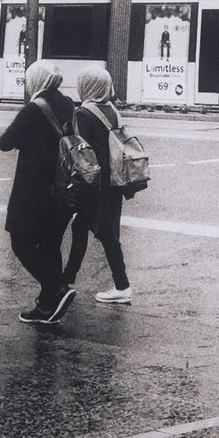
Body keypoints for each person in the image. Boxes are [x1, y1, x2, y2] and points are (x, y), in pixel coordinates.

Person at [0, 61, 78, 325]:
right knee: (50, 244)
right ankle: (46, 307)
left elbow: (5, 142)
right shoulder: (67, 103)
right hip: (63, 187)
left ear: (36, 80)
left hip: (33, 190)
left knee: (20, 242)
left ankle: (56, 288)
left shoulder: (35, 107)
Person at [64, 67, 135, 304]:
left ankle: (122, 286)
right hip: (114, 180)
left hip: (95, 183)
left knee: (105, 234)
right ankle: (66, 279)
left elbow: (82, 153)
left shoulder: (83, 113)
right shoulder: (111, 110)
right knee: (84, 227)